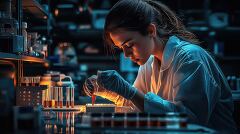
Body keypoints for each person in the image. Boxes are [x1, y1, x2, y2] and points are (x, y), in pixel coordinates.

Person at [83, 0, 237, 133]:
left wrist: (128, 90)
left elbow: (189, 121)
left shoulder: (190, 58)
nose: (126, 55)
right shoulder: (149, 63)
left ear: (151, 30)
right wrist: (108, 91)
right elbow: (137, 105)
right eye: (121, 48)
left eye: (129, 44)